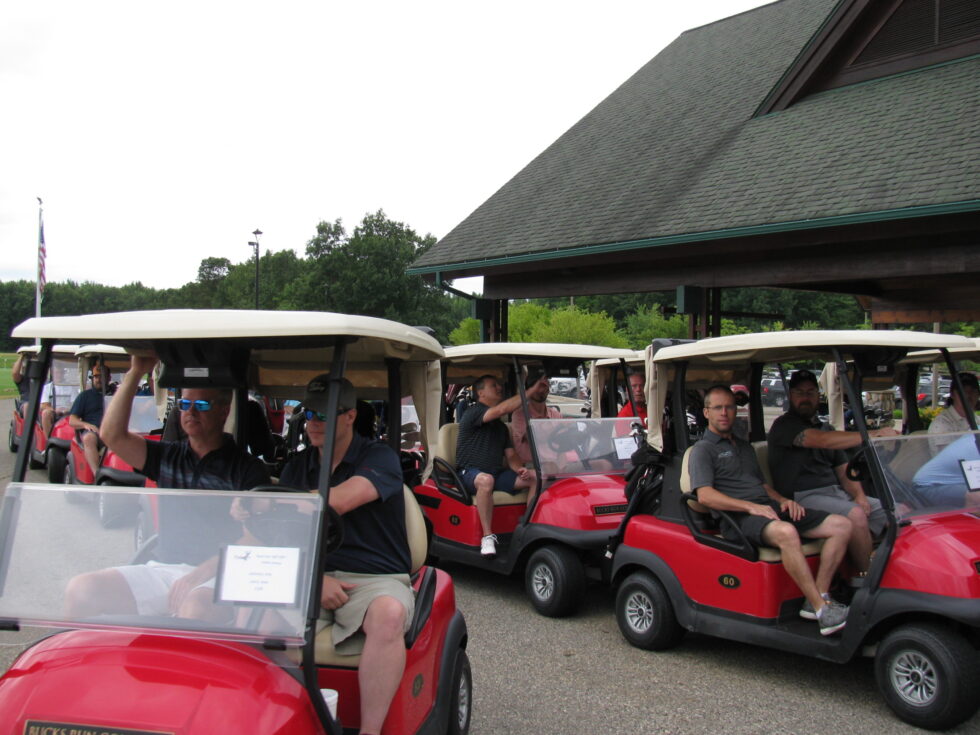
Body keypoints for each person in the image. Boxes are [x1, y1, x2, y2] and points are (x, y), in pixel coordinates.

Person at [64, 354, 270, 620]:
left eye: (202, 404)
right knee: (81, 589)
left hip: (219, 573)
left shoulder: (248, 468)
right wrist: (137, 371)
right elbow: (111, 436)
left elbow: (255, 538)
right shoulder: (167, 456)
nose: (191, 412)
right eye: (185, 404)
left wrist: (201, 573)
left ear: (224, 410)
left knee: (194, 607)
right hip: (164, 568)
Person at [271, 375, 412, 735]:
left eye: (323, 413)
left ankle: (370, 731)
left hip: (374, 579)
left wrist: (269, 504)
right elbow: (283, 534)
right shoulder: (298, 466)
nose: (313, 422)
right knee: (239, 608)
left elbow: (340, 500)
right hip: (313, 573)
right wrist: (314, 579)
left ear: (349, 416)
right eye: (308, 414)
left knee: (389, 615)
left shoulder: (379, 457)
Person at [690, 385, 852, 635]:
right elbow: (705, 495)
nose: (725, 413)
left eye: (730, 407)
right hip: (737, 519)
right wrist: (751, 507)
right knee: (786, 532)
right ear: (706, 412)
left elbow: (761, 485)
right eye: (718, 408)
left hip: (766, 510)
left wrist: (783, 500)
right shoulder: (703, 450)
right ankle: (824, 612)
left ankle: (817, 599)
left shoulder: (743, 446)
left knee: (842, 526)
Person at [767, 369, 893, 575]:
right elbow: (821, 441)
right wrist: (872, 434)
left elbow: (843, 469)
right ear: (791, 396)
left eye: (810, 392)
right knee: (856, 514)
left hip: (835, 493)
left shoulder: (825, 427)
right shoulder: (784, 426)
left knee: (896, 510)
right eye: (799, 393)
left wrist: (859, 495)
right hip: (802, 498)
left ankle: (893, 567)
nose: (805, 398)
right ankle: (866, 581)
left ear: (818, 396)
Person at [455, 374, 537, 557]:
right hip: (469, 472)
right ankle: (487, 536)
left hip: (495, 473)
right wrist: (529, 392)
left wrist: (519, 469)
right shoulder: (473, 412)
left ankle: (529, 526)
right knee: (486, 480)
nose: (499, 388)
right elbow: (500, 410)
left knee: (536, 478)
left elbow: (511, 455)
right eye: (494, 385)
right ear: (480, 392)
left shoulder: (500, 428)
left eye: (499, 385)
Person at [509, 369, 562, 466]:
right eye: (537, 387)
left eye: (544, 386)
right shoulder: (519, 415)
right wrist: (557, 432)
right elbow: (536, 438)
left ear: (548, 388)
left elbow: (563, 443)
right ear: (529, 390)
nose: (541, 390)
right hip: (531, 466)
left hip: (555, 465)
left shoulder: (556, 414)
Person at [913, 432, 980, 507]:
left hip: (959, 483)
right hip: (929, 487)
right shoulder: (974, 443)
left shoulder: (975, 436)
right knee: (976, 496)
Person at [67, 365, 109, 477]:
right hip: (95, 432)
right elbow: (72, 420)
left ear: (109, 378)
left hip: (114, 431)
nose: (99, 379)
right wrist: (86, 424)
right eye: (96, 377)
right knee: (88, 438)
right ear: (92, 378)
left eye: (102, 376)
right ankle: (97, 475)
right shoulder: (85, 396)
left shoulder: (115, 394)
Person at [928, 372, 979, 453]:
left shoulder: (977, 420)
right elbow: (950, 458)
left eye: (973, 391)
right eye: (963, 391)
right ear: (952, 394)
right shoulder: (942, 423)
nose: (968, 396)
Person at [11, 351, 30, 418]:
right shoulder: (22, 380)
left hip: (42, 404)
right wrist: (22, 356)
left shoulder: (45, 381)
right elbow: (15, 373)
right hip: (26, 403)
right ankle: (28, 427)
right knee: (27, 406)